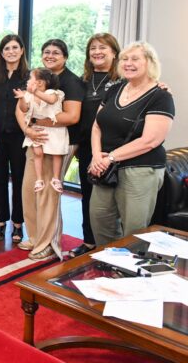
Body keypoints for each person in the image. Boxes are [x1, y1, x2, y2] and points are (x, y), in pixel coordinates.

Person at [89, 42, 174, 246]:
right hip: (105, 167)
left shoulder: (161, 96)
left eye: (135, 59)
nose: (128, 63)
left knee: (134, 231)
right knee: (100, 221)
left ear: (150, 63)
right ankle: (106, 262)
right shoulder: (115, 89)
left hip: (140, 170)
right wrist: (96, 155)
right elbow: (97, 125)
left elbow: (150, 141)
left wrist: (110, 157)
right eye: (125, 59)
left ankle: (130, 265)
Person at [16, 39, 84, 261]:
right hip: (34, 138)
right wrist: (28, 129)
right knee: (30, 188)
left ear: (65, 56)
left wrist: (37, 122)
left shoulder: (71, 82)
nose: (50, 55)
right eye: (47, 51)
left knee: (47, 193)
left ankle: (48, 243)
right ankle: (35, 236)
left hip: (57, 143)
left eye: (56, 52)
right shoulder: (38, 76)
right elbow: (21, 108)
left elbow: (72, 117)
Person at [70, 33, 122, 257]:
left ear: (114, 52)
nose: (97, 52)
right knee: (88, 197)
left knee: (113, 201)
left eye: (103, 47)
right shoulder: (82, 81)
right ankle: (89, 242)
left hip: (114, 149)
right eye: (93, 48)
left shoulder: (124, 81)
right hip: (86, 148)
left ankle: (115, 246)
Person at [0, 34, 28, 243]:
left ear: (21, 50)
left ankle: (18, 224)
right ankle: (1, 221)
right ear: (1, 52)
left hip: (20, 137)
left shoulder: (29, 77)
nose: (11, 51)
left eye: (15, 47)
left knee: (20, 180)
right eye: (7, 48)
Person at [16, 68, 68, 193]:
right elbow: (24, 109)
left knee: (57, 153)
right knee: (37, 153)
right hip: (37, 129)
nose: (27, 81)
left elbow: (50, 100)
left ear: (39, 83)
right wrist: (22, 98)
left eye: (30, 79)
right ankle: (39, 179)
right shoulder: (29, 95)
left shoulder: (53, 93)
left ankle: (56, 178)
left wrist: (35, 92)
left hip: (54, 129)